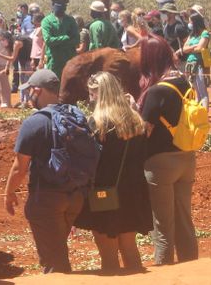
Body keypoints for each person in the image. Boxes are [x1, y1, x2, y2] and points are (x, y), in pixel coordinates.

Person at [5, 69, 85, 273]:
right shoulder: (75, 115)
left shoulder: (34, 123)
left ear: (38, 91)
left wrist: (9, 193)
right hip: (75, 197)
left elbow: (19, 168)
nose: (28, 95)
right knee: (58, 250)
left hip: (47, 200)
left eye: (30, 91)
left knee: (54, 262)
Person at [74, 72, 152, 274]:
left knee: (108, 255)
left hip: (103, 194)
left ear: (101, 94)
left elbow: (90, 163)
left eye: (92, 94)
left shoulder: (96, 123)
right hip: (133, 191)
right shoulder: (135, 120)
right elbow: (143, 155)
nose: (90, 99)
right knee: (130, 248)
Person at [137, 36, 198, 265]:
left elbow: (146, 130)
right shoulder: (185, 81)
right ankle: (192, 268)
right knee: (184, 220)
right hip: (186, 157)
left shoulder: (157, 91)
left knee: (163, 226)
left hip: (160, 162)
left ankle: (165, 272)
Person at [40, 0, 79, 78]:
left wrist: (58, 42)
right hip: (54, 63)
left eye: (64, 4)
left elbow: (76, 40)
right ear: (53, 4)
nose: (61, 6)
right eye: (59, 3)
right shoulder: (47, 21)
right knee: (54, 88)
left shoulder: (70, 20)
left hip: (70, 61)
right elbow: (49, 41)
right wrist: (66, 37)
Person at [179, 12, 210, 108]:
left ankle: (204, 113)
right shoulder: (192, 35)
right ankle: (198, 112)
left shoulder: (205, 33)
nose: (189, 24)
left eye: (190, 22)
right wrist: (195, 46)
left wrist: (191, 48)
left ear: (195, 22)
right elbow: (184, 49)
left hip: (200, 63)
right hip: (190, 64)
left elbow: (200, 49)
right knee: (196, 90)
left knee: (202, 90)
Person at [160, 3, 188, 68]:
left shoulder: (179, 27)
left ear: (172, 14)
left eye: (165, 12)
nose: (163, 15)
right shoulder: (165, 27)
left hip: (182, 62)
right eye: (163, 12)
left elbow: (188, 44)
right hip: (170, 62)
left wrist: (177, 53)